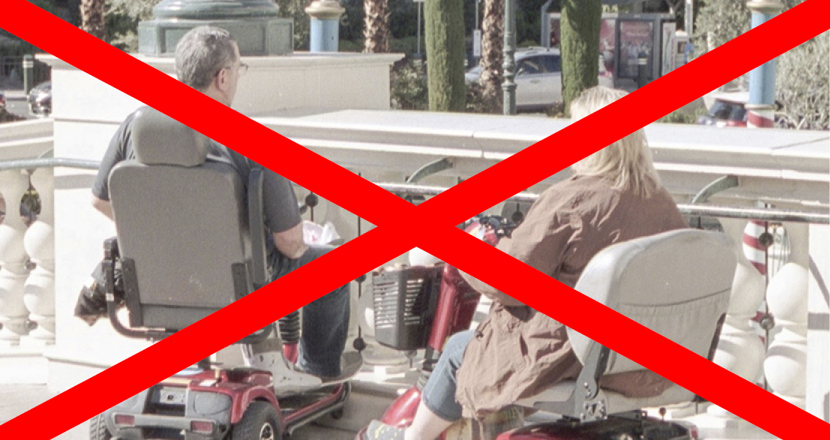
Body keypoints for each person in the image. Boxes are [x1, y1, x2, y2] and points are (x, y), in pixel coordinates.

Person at [364, 86, 689, 440]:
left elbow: (507, 281)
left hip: (575, 356)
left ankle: (412, 437)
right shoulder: (662, 203)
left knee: (459, 350)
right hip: (639, 362)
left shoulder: (573, 201)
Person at [79, 26, 350, 380]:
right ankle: (319, 374)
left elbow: (99, 199)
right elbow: (291, 243)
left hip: (158, 281)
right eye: (238, 69)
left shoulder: (136, 126)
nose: (237, 77)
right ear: (222, 77)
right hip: (239, 290)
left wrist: (163, 240)